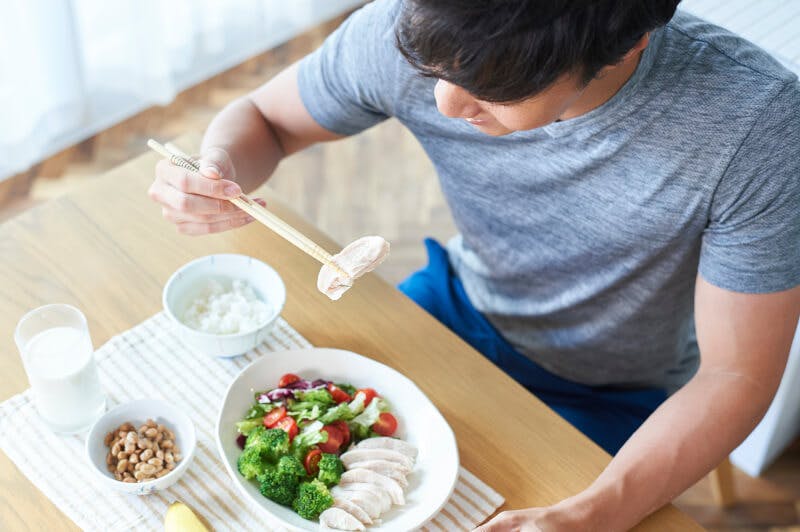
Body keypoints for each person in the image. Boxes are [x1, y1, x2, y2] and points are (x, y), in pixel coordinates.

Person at [149, 0, 800, 529]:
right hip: (453, 301)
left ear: (626, 47)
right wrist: (218, 169)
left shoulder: (755, 126)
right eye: (433, 71)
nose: (446, 104)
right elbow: (266, 117)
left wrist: (591, 514)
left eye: (492, 88)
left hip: (609, 388)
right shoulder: (426, 22)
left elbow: (735, 375)